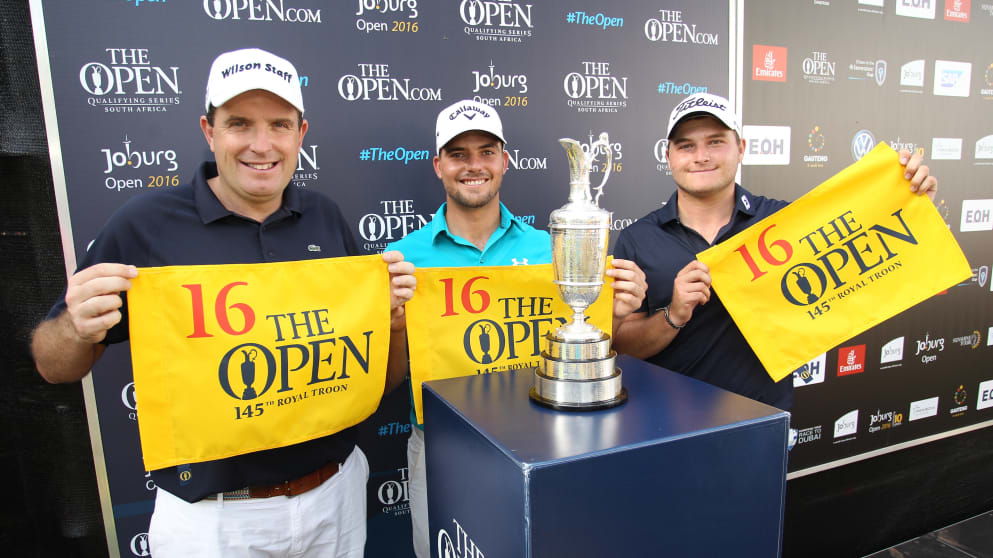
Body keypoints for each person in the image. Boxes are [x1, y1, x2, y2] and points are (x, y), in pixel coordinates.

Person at [30, 48, 416, 558]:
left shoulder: (326, 217)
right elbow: (53, 367)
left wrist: (393, 325)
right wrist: (75, 328)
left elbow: (378, 380)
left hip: (335, 496)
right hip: (212, 522)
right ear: (209, 131)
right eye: (239, 124)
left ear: (300, 134)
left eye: (279, 125)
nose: (262, 144)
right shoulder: (144, 224)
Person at [386, 99, 647, 558]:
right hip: (443, 446)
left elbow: (578, 347)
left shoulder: (553, 249)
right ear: (438, 166)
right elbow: (386, 380)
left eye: (487, 152)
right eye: (458, 154)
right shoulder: (403, 259)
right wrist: (393, 327)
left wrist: (617, 313)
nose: (474, 165)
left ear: (505, 162)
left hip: (542, 438)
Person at [612, 92, 937, 411]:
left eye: (715, 142)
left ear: (741, 148)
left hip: (762, 418)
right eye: (686, 146)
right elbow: (623, 345)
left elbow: (867, 255)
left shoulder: (784, 222)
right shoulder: (638, 239)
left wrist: (910, 200)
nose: (701, 156)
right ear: (668, 156)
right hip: (667, 421)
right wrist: (673, 315)